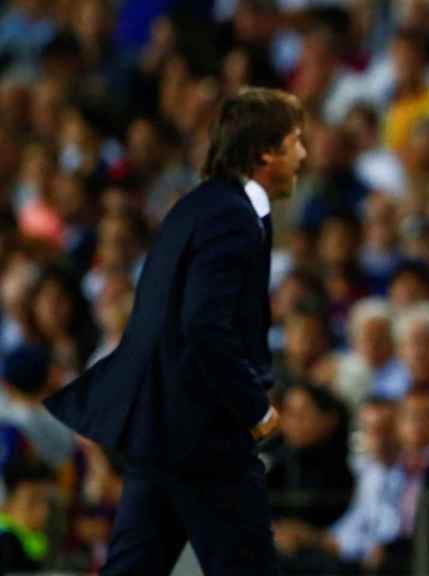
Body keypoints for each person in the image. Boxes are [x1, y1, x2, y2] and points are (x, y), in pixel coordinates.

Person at [42, 87, 307, 576]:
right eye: (295, 142)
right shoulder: (233, 216)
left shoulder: (197, 205)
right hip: (203, 430)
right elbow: (203, 325)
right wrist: (255, 406)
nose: (303, 155)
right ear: (266, 152)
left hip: (161, 425)